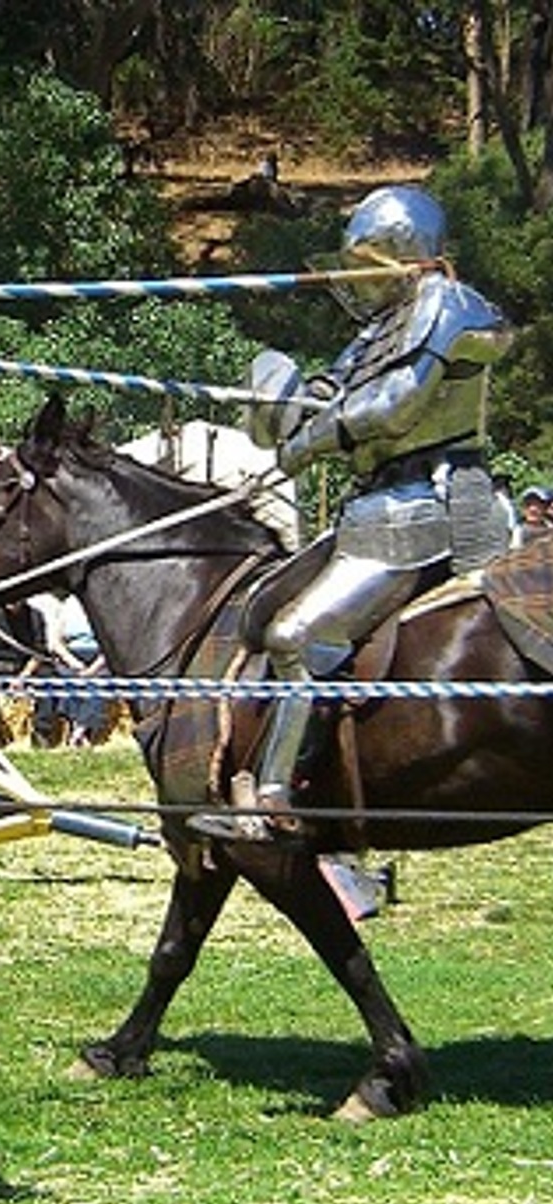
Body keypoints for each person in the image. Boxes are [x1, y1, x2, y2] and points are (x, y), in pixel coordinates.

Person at [192, 185, 514, 845]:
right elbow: (333, 388)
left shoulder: (445, 306)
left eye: (368, 265)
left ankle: (277, 798)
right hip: (378, 508)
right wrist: (281, 404)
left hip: (430, 505)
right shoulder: (383, 325)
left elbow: (392, 406)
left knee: (296, 636)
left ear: (400, 255)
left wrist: (306, 444)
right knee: (268, 607)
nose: (359, 283)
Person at [0, 597, 61, 748]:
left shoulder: (35, 616)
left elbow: (39, 652)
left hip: (24, 668)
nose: (13, 602)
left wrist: (24, 676)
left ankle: (42, 731)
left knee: (50, 677)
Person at [46, 594, 110, 747]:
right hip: (71, 656)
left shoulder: (105, 606)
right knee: (69, 682)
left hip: (99, 658)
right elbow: (55, 642)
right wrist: (73, 662)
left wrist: (94, 667)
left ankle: (79, 730)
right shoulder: (66, 606)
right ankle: (79, 729)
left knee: (98, 685)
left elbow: (111, 644)